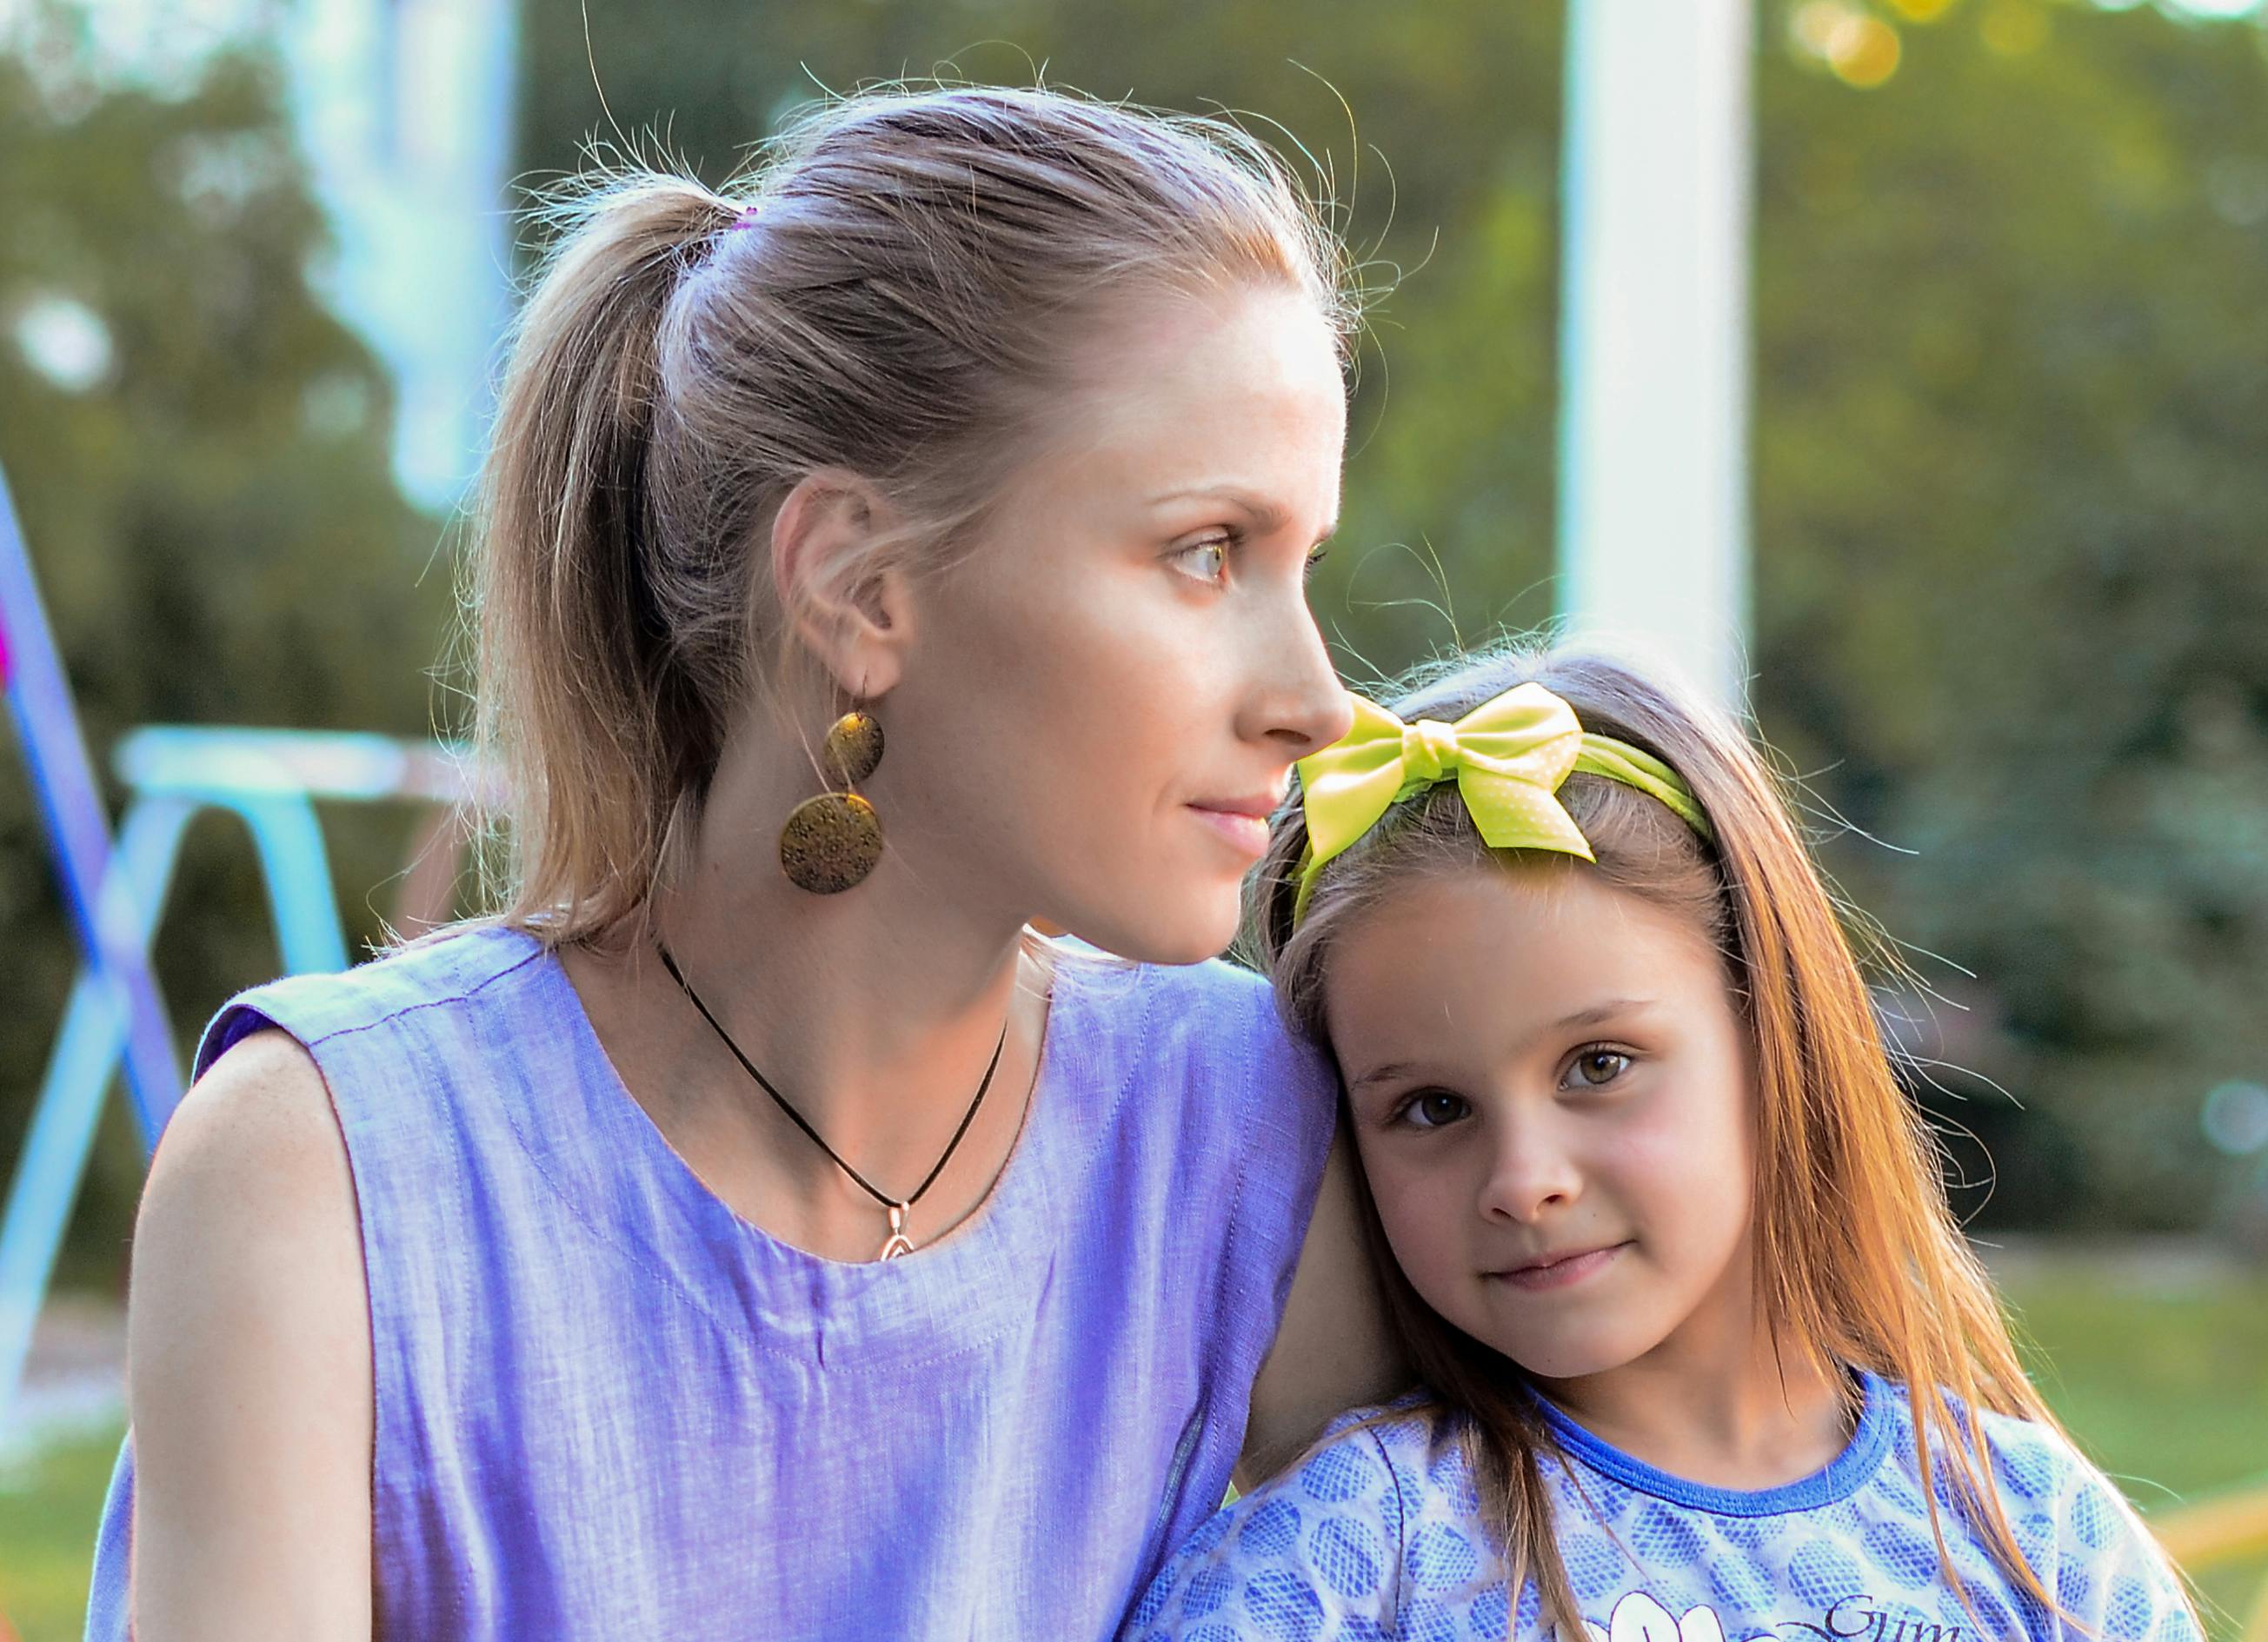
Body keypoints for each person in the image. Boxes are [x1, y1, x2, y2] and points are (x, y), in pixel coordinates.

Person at [87, 85, 1400, 1639]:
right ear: (860, 584)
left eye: (1297, 562)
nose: (1315, 697)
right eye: (1204, 551)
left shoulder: (1245, 1140)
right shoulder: (330, 1175)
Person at [1126, 643, 2201, 1642]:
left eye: (1597, 1063)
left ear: (1772, 1036)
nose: (1524, 1181)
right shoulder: (1344, 1561)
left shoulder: (2037, 1535)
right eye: (1432, 1108)